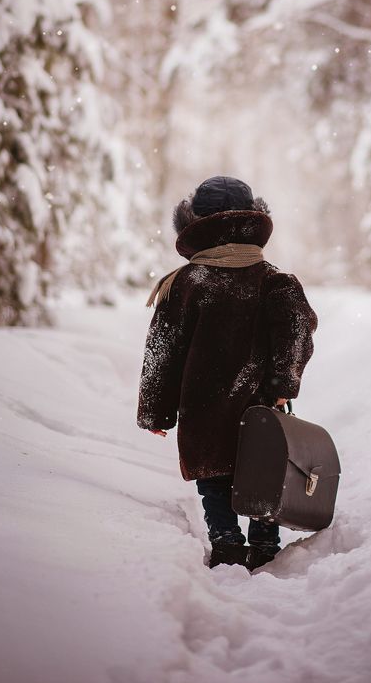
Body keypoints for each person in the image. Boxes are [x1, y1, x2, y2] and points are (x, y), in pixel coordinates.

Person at [137, 175, 317, 571]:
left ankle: (225, 541)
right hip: (260, 402)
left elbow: (162, 353)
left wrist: (157, 410)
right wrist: (282, 384)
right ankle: (265, 544)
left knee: (214, 476)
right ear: (255, 219)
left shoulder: (186, 283)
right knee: (264, 468)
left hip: (202, 405)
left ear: (193, 223)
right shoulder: (275, 281)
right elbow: (296, 334)